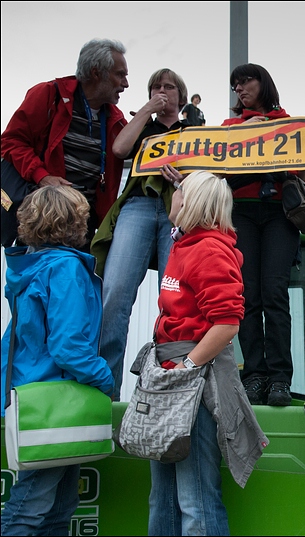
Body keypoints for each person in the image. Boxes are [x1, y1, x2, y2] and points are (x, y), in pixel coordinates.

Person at [147, 170, 268, 536]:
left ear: (192, 199)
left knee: (195, 498)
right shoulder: (184, 245)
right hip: (171, 381)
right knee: (164, 498)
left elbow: (228, 323)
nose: (173, 194)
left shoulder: (210, 249)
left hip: (192, 386)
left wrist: (185, 366)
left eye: (178, 189)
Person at [1, 186, 114, 535]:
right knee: (30, 508)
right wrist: (105, 378)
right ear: (74, 223)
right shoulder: (65, 268)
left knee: (58, 508)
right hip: (57, 401)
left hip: (33, 393)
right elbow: (68, 347)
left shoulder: (29, 265)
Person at [222, 63, 305, 406]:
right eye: (235, 84)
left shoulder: (291, 123)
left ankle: (281, 378)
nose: (239, 88)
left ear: (263, 83)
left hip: (281, 214)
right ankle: (254, 376)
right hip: (241, 213)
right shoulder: (228, 127)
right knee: (248, 295)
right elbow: (215, 168)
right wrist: (245, 133)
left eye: (245, 80)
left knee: (275, 293)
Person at [91, 68, 188, 400]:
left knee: (174, 297)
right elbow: (119, 149)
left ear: (181, 94)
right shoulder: (142, 126)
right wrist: (148, 110)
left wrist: (182, 180)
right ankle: (103, 394)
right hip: (139, 205)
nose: (162, 91)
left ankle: (165, 394)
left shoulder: (194, 131)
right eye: (155, 87)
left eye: (168, 86)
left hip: (177, 207)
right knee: (115, 292)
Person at [0, 38, 128, 247]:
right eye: (120, 74)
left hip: (82, 226)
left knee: (74, 279)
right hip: (44, 220)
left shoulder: (116, 121)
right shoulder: (48, 95)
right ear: (97, 73)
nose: (126, 83)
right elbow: (11, 142)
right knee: (38, 277)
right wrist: (42, 177)